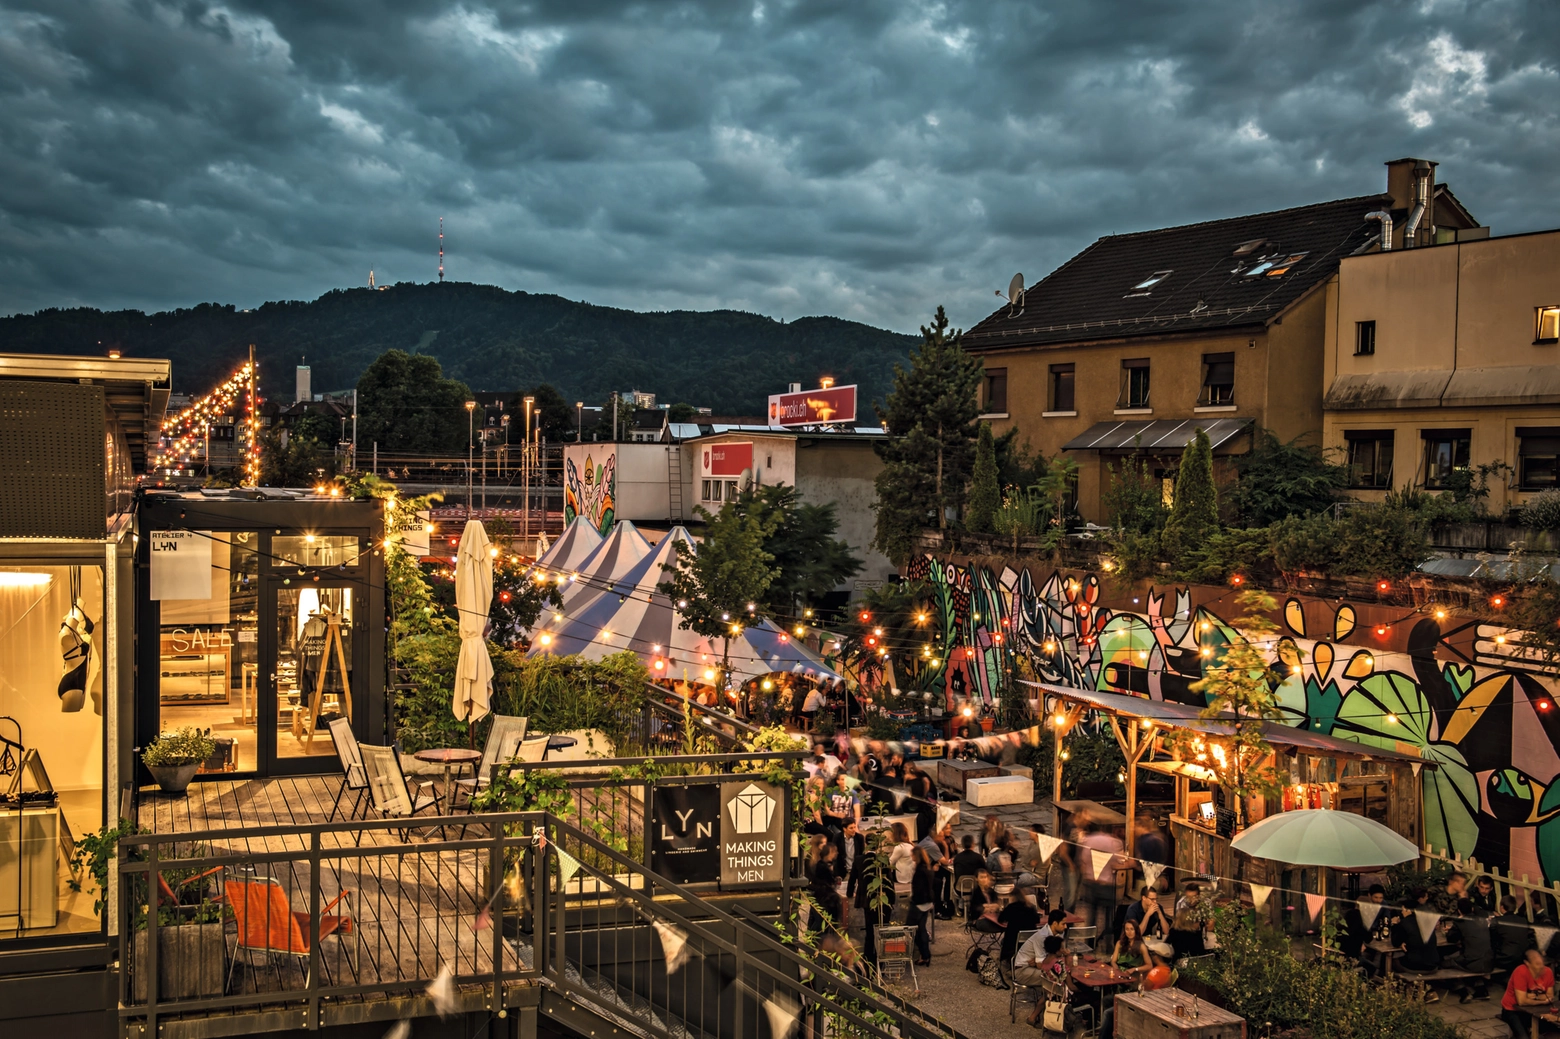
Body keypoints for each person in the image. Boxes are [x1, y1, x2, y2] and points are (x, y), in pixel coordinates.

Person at [1077, 822, 1126, 946]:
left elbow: (1083, 860)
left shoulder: (1087, 841)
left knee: (1092, 915)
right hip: (1106, 882)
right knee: (1108, 916)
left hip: (1091, 882)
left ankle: (1090, 943)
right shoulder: (1112, 842)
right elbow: (1117, 860)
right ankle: (1109, 945)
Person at [1018, 936, 1074, 1028]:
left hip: (1050, 992)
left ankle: (1032, 1018)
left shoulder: (1045, 960)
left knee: (1046, 995)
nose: (1064, 949)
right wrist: (1068, 956)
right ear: (1057, 951)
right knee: (1089, 994)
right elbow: (1070, 983)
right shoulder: (1059, 964)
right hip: (1061, 995)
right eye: (1062, 948)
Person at [1501, 947, 1555, 1039]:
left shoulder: (1548, 972)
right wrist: (1542, 1000)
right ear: (1527, 963)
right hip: (1513, 1010)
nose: (1541, 966)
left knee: (1553, 1030)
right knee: (1524, 1037)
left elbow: (1550, 996)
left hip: (1536, 1010)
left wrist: (1531, 997)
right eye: (1537, 964)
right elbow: (1521, 1001)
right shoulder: (1521, 971)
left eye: (1542, 963)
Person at [1446, 900, 1494, 1003]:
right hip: (1489, 961)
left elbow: (1451, 938)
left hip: (1473, 963)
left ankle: (1462, 991)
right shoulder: (1482, 920)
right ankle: (1481, 989)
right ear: (1472, 909)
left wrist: (1455, 926)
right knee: (1471, 956)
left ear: (1459, 911)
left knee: (1445, 963)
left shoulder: (1460, 922)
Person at [905, 846, 936, 966]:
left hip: (919, 902)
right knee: (921, 928)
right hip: (927, 902)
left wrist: (913, 899)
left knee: (912, 928)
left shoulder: (919, 871)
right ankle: (925, 955)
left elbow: (918, 888)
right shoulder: (927, 868)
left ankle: (924, 954)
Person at [807, 840, 845, 935]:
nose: (836, 853)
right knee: (820, 922)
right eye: (834, 851)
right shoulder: (822, 867)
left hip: (823, 898)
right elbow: (826, 882)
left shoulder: (827, 865)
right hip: (824, 899)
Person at [1493, 895, 1538, 972]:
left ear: (1501, 907)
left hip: (1504, 959)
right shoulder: (1523, 920)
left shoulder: (1497, 922)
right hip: (1521, 958)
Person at [998, 887, 1041, 965]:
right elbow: (1037, 920)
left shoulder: (1011, 907)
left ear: (1013, 897)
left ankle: (1007, 961)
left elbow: (1000, 919)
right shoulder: (1031, 907)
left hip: (1013, 942)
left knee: (1003, 941)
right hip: (1029, 941)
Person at [1169, 881, 1211, 958]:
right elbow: (1179, 924)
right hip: (1188, 937)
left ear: (1198, 896)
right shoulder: (1181, 903)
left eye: (1194, 897)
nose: (1191, 900)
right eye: (1188, 897)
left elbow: (1211, 926)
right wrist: (1200, 924)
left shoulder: (1206, 903)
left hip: (1206, 936)